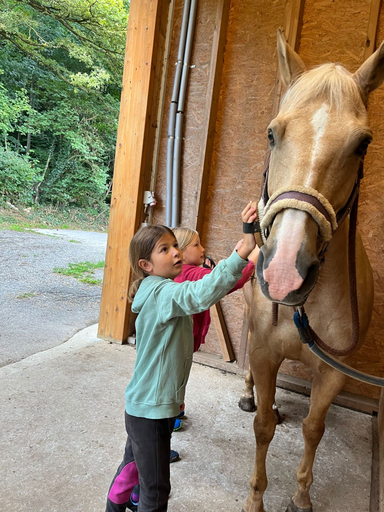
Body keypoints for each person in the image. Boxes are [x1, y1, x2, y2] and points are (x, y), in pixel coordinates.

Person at [105, 202, 257, 512]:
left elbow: (201, 289)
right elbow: (200, 293)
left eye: (176, 246)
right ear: (146, 265)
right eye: (165, 249)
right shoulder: (163, 294)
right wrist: (241, 254)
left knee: (130, 471)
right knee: (156, 490)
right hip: (151, 411)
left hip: (142, 406)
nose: (175, 252)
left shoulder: (160, 289)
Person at [173, 227, 259, 353]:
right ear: (180, 252)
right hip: (183, 344)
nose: (202, 249)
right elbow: (228, 281)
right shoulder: (192, 274)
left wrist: (235, 256)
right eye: (196, 245)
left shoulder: (180, 272)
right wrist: (258, 249)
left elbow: (218, 276)